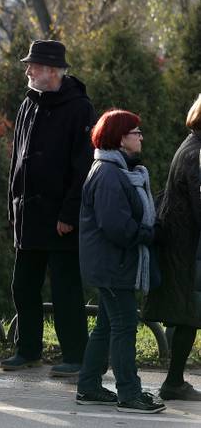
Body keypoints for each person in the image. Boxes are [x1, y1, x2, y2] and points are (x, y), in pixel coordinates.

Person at [3, 40, 94, 377]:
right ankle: (27, 350)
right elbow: (17, 160)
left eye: (34, 66)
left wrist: (69, 213)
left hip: (59, 218)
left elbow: (83, 166)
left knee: (65, 289)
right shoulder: (29, 103)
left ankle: (75, 355)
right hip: (28, 215)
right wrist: (13, 206)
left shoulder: (80, 108)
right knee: (23, 285)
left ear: (53, 71)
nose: (28, 71)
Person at [76, 109, 164, 413]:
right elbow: (116, 226)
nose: (141, 137)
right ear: (120, 138)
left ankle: (88, 387)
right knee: (125, 326)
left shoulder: (117, 170)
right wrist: (149, 234)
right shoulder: (108, 174)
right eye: (135, 132)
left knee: (106, 326)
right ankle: (129, 393)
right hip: (113, 265)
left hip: (115, 263)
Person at [143, 95, 201, 401]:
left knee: (184, 314)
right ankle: (174, 382)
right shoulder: (197, 153)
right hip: (186, 248)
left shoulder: (191, 145)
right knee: (188, 315)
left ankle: (174, 380)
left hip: (180, 244)